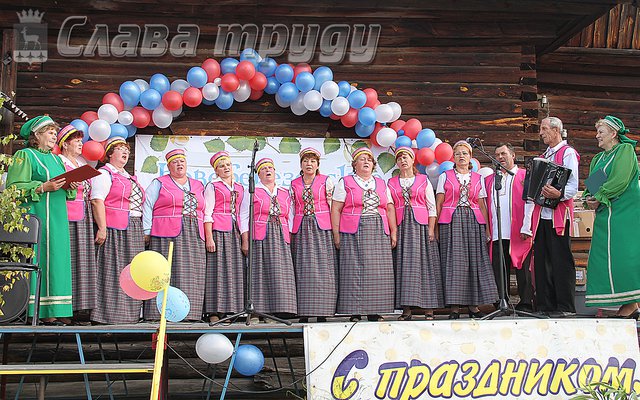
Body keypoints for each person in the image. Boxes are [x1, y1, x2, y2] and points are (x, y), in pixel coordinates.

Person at [6, 116, 76, 325]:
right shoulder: (25, 155)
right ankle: (36, 310)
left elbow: (63, 188)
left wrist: (70, 186)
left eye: (55, 132)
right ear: (36, 136)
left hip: (57, 218)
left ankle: (55, 309)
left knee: (57, 258)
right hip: (36, 216)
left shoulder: (57, 159)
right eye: (50, 132)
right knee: (40, 257)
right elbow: (13, 188)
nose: (54, 136)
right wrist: (42, 187)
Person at [522, 117, 580, 318]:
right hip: (541, 216)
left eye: (544, 129)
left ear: (556, 130)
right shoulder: (544, 156)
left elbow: (573, 185)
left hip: (558, 215)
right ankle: (545, 305)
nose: (541, 133)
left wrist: (559, 194)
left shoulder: (568, 153)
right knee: (542, 259)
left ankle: (565, 306)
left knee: (560, 259)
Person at [583, 116, 640, 319]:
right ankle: (627, 303)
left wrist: (599, 196)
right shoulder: (599, 159)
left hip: (624, 214)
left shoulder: (624, 151)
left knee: (624, 256)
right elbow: (592, 185)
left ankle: (632, 303)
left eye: (601, 132)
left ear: (614, 134)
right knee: (603, 258)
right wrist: (589, 198)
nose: (597, 136)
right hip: (605, 215)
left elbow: (620, 180)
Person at [331, 147, 396, 322]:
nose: (366, 162)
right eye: (362, 159)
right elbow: (336, 209)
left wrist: (393, 231)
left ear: (373, 165)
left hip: (378, 229)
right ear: (354, 164)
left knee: (378, 270)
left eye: (369, 159)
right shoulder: (345, 182)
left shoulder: (381, 183)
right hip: (353, 230)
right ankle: (355, 311)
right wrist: (336, 234)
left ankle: (377, 310)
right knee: (354, 269)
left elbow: (389, 208)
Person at [436, 140, 498, 319]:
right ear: (453, 158)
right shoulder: (445, 176)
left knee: (474, 261)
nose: (461, 156)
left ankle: (473, 306)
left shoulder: (478, 178)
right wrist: (437, 227)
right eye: (457, 154)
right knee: (454, 262)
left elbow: (482, 204)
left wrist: (487, 228)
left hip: (473, 220)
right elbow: (439, 203)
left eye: (464, 153)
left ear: (470, 156)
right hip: (451, 220)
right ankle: (454, 307)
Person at [142, 149, 206, 322]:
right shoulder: (159, 183)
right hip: (165, 233)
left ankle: (189, 314)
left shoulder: (198, 185)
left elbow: (205, 209)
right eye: (175, 162)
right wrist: (147, 230)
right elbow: (147, 205)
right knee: (165, 271)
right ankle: (159, 313)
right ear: (168, 166)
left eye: (182, 161)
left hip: (194, 233)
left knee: (191, 272)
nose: (179, 164)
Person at [91, 137, 145, 324]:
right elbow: (97, 200)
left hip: (133, 226)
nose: (125, 152)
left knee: (132, 271)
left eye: (127, 150)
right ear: (110, 154)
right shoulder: (104, 173)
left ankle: (129, 315)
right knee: (113, 270)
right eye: (120, 149)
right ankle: (107, 315)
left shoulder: (129, 177)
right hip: (115, 228)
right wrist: (102, 228)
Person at [388, 146, 442, 320]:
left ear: (413, 160)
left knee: (425, 265)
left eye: (406, 157)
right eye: (399, 158)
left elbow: (431, 206)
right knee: (403, 266)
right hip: (402, 226)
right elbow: (389, 207)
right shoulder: (391, 183)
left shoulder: (423, 180)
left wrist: (431, 229)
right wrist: (393, 230)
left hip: (421, 226)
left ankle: (429, 308)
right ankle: (406, 309)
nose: (403, 161)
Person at [239, 158, 297, 318]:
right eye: (264, 169)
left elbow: (290, 216)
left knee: (280, 273)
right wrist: (245, 239)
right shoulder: (252, 191)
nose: (268, 170)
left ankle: (279, 312)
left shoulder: (284, 192)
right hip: (260, 236)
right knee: (260, 273)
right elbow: (243, 216)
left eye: (270, 168)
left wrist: (289, 236)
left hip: (281, 235)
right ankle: (257, 313)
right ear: (258, 174)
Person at [289, 147, 337, 323]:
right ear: (301, 164)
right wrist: (290, 230)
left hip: (322, 228)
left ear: (317, 164)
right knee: (303, 268)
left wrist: (335, 229)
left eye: (312, 161)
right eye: (305, 161)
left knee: (324, 268)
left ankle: (323, 310)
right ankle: (304, 311)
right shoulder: (294, 184)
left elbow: (332, 206)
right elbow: (292, 208)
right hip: (302, 228)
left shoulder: (326, 181)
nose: (309, 164)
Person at [485, 143, 534, 312]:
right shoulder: (490, 180)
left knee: (523, 268)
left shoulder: (523, 175)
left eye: (503, 153)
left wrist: (527, 226)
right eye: (497, 155)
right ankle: (502, 302)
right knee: (499, 268)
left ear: (513, 155)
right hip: (498, 231)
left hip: (519, 229)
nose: (500, 157)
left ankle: (526, 302)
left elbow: (530, 202)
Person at [58, 125, 98, 321]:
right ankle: (62, 308)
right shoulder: (59, 162)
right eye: (76, 141)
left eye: (81, 141)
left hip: (84, 216)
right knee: (69, 260)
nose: (81, 144)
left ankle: (79, 308)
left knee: (82, 262)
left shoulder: (80, 163)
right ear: (65, 144)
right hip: (67, 216)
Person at [203, 151, 246, 323]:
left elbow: (243, 214)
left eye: (228, 165)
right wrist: (209, 237)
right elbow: (207, 212)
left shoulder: (240, 188)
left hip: (234, 231)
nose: (226, 168)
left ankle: (231, 310)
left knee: (234, 270)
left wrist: (244, 238)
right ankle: (214, 311)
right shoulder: (213, 186)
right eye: (221, 166)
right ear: (216, 171)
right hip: (218, 230)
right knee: (217, 271)